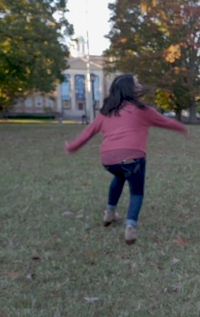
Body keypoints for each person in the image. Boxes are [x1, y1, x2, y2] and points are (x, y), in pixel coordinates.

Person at [65, 74, 188, 245]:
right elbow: (165, 121)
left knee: (120, 176)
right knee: (136, 192)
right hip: (132, 158)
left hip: (108, 160)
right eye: (137, 82)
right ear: (130, 88)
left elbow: (88, 132)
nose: (140, 84)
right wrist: (182, 128)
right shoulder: (142, 111)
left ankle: (109, 213)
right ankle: (130, 227)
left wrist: (72, 147)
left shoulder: (106, 112)